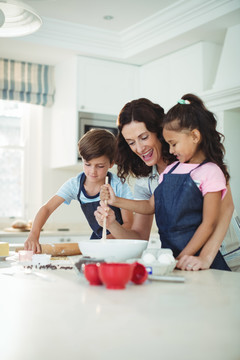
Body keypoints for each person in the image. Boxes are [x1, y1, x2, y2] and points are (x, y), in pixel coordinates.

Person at [96, 96, 234, 271]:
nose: (139, 148)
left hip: (225, 254)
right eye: (131, 142)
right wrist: (112, 223)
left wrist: (205, 256)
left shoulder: (202, 163)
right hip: (182, 262)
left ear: (159, 132)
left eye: (144, 137)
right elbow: (140, 234)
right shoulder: (148, 180)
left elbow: (225, 209)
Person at [24, 129, 133, 253]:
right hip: (97, 242)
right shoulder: (75, 184)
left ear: (111, 163)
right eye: (87, 164)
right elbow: (47, 208)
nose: (92, 171)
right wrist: (34, 234)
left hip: (121, 243)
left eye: (100, 166)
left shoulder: (119, 185)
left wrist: (109, 239)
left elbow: (129, 224)